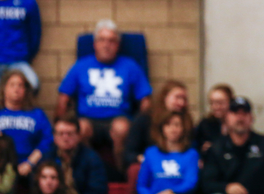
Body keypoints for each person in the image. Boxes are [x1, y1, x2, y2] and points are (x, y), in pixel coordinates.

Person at [55, 19, 152, 171]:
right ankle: (90, 170)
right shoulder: (81, 66)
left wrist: (140, 124)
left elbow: (146, 100)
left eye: (111, 41)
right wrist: (60, 124)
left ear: (118, 45)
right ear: (95, 44)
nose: (106, 45)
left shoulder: (130, 66)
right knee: (79, 128)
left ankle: (121, 173)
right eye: (102, 40)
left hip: (118, 118)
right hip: (88, 119)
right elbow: (63, 97)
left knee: (121, 128)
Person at [201, 96, 264, 194]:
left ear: (252, 117)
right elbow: (207, 182)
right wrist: (226, 187)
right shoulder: (217, 148)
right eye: (236, 113)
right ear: (227, 117)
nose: (240, 118)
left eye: (244, 113)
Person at [124, 80, 193, 194]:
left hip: (179, 164)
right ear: (164, 97)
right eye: (177, 97)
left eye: (184, 99)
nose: (181, 102)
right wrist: (141, 158)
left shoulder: (188, 122)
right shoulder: (144, 119)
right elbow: (129, 152)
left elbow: (190, 147)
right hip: (150, 163)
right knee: (136, 170)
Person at [0, 70, 53, 189]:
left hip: (30, 163)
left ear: (26, 90)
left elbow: (47, 140)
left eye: (20, 85)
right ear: (4, 89)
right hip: (0, 165)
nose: (16, 89)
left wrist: (30, 163)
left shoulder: (37, 114)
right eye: (12, 85)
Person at [42, 113, 108, 194]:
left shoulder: (92, 159)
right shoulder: (47, 157)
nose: (65, 138)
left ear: (79, 136)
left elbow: (98, 190)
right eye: (61, 133)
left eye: (69, 134)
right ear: (54, 137)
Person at [136, 111, 199, 194]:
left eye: (177, 125)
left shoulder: (191, 154)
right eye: (168, 124)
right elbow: (141, 185)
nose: (172, 129)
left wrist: (172, 192)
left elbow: (190, 183)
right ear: (162, 128)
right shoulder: (150, 153)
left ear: (183, 128)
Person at [194, 84, 234, 158]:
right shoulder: (205, 125)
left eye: (220, 103)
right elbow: (195, 146)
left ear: (230, 102)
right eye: (212, 103)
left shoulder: (236, 124)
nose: (216, 107)